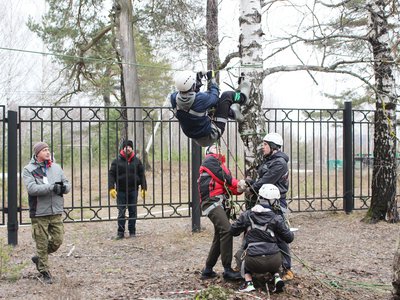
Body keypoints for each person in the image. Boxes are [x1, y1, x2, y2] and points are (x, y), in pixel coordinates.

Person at [245, 132, 293, 281]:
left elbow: (266, 180)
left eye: (265, 145)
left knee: (279, 235)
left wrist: (249, 185)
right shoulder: (268, 160)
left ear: (273, 147)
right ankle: (261, 264)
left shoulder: (279, 163)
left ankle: (287, 269)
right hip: (264, 201)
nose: (262, 147)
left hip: (276, 204)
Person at [230, 184, 294, 293]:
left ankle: (248, 283)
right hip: (274, 261)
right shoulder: (276, 218)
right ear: (273, 201)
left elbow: (233, 231)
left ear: (260, 198)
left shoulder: (247, 215)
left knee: (242, 254)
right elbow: (289, 238)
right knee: (275, 249)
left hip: (253, 261)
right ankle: (277, 277)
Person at [22, 141, 70, 284]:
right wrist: (51, 187)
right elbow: (32, 189)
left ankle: (39, 257)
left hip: (56, 211)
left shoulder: (56, 167)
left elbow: (66, 184)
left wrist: (64, 188)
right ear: (37, 154)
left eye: (48, 149)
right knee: (41, 243)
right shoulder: (29, 169)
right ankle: (45, 272)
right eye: (44, 150)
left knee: (57, 240)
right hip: (39, 213)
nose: (48, 152)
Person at [198, 144, 246, 280]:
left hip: (219, 202)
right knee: (226, 230)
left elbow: (230, 186)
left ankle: (208, 269)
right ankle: (227, 270)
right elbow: (227, 179)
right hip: (211, 202)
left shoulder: (221, 166)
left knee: (220, 235)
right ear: (208, 151)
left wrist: (242, 187)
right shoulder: (209, 161)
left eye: (219, 147)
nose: (218, 149)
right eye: (214, 147)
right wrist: (238, 183)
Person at [170, 70, 251, 147]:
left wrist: (198, 81)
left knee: (211, 104)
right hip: (212, 133)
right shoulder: (200, 99)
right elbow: (214, 95)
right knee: (227, 96)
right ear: (193, 85)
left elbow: (192, 98)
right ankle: (244, 98)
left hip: (197, 137)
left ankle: (234, 113)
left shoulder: (173, 98)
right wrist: (211, 79)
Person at [108, 139, 147, 239]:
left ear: (132, 148)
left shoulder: (137, 161)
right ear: (123, 148)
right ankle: (120, 233)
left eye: (129, 147)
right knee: (121, 211)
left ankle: (132, 232)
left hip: (133, 190)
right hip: (121, 191)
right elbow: (111, 175)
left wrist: (144, 188)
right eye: (126, 147)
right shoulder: (116, 161)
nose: (128, 148)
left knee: (133, 211)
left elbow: (142, 175)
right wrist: (111, 188)